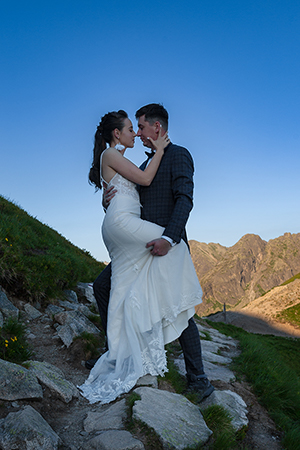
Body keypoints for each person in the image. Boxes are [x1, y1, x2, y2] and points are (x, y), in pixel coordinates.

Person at [79, 108, 204, 404]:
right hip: (140, 241)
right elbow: (128, 191)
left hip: (162, 241)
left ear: (156, 126)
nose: (137, 132)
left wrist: (169, 237)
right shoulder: (145, 160)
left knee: (175, 303)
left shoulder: (179, 155)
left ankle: (198, 379)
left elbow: (185, 200)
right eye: (133, 128)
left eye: (141, 127)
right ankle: (118, 356)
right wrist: (106, 196)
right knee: (103, 286)